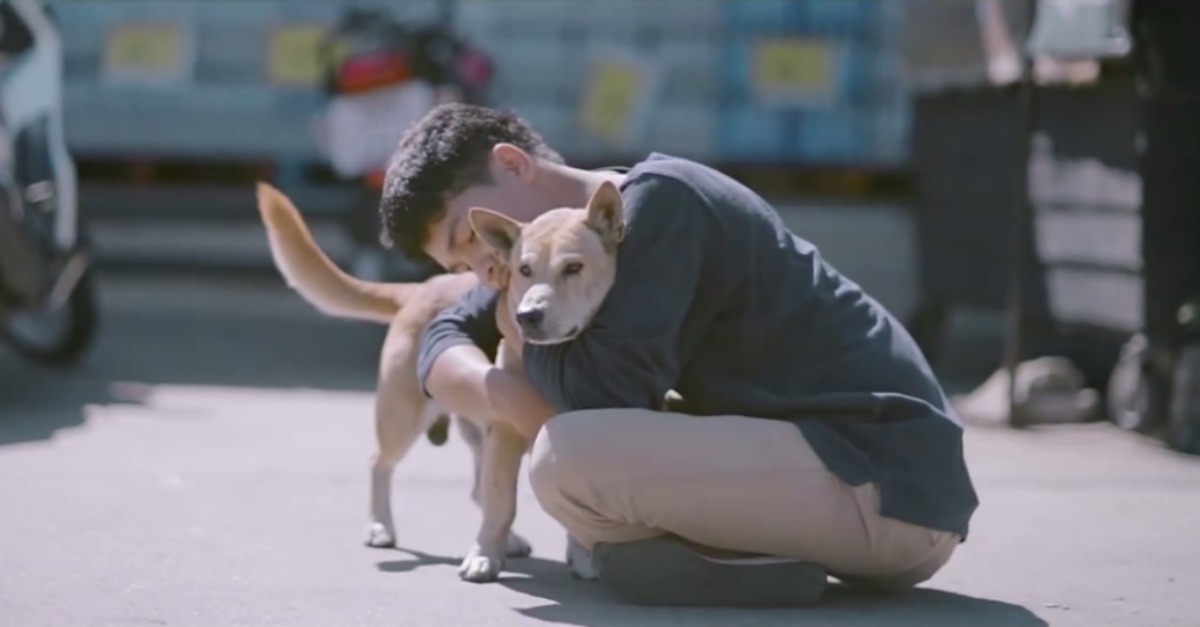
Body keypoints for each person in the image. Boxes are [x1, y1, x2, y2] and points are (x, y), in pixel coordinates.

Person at [380, 103, 979, 607]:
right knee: (573, 447)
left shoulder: (659, 210)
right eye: (464, 263)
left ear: (512, 164)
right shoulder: (566, 254)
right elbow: (449, 324)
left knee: (569, 457)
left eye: (470, 236)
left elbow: (598, 398)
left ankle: (732, 565)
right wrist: (494, 385)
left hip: (884, 481)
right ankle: (728, 555)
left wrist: (507, 366)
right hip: (848, 478)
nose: (485, 267)